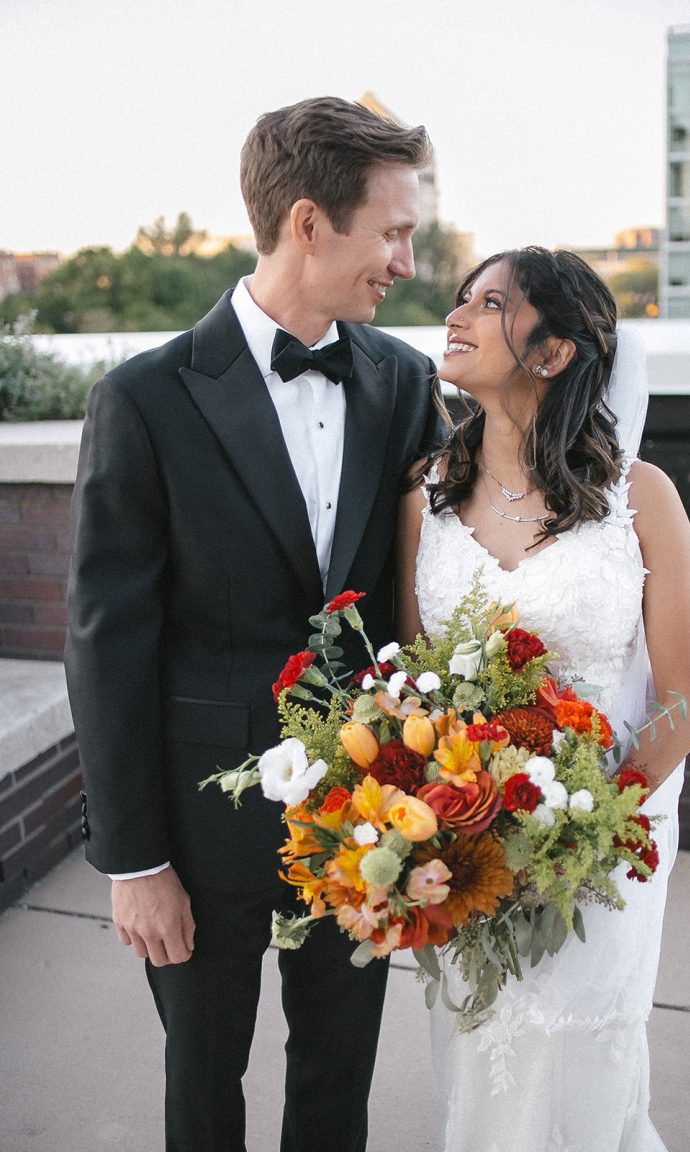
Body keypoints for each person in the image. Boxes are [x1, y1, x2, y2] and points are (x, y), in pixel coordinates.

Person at [64, 96, 441, 1152]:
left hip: (364, 822)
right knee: (203, 1086)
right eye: (394, 231)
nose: (406, 262)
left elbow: (423, 604)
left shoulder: (407, 384)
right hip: (196, 832)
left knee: (337, 1084)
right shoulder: (144, 398)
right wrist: (134, 862)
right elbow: (107, 642)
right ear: (312, 223)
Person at [397, 246, 690, 1152]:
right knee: (480, 1054)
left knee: (580, 1060)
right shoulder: (423, 497)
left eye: (489, 302)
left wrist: (583, 830)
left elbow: (684, 700)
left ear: (553, 352)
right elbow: (414, 685)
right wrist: (454, 830)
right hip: (467, 839)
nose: (455, 317)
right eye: (460, 298)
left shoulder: (638, 497)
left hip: (602, 844)